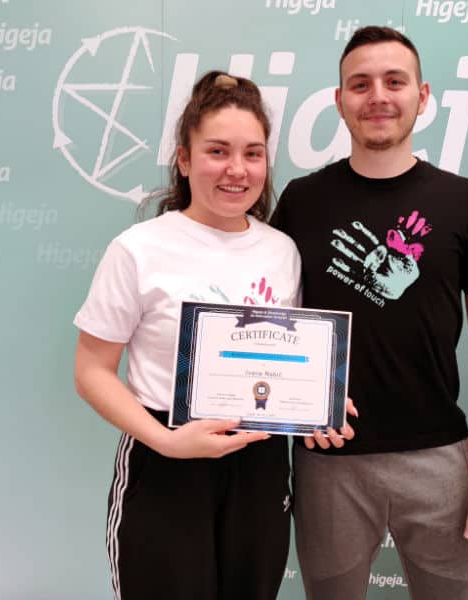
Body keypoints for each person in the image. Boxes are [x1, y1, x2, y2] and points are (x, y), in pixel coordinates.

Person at [271, 26, 468, 599]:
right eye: (360, 84)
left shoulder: (466, 201)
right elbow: (275, 325)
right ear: (339, 101)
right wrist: (300, 406)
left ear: (422, 96)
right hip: (328, 459)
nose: (377, 96)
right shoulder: (301, 202)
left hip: (438, 458)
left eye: (394, 81)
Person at [73, 71, 302, 600]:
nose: (237, 169)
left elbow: (290, 363)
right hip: (166, 457)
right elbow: (91, 372)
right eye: (217, 151)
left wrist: (322, 401)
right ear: (183, 158)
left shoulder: (282, 251)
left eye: (253, 153)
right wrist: (167, 442)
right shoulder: (138, 249)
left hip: (260, 463)